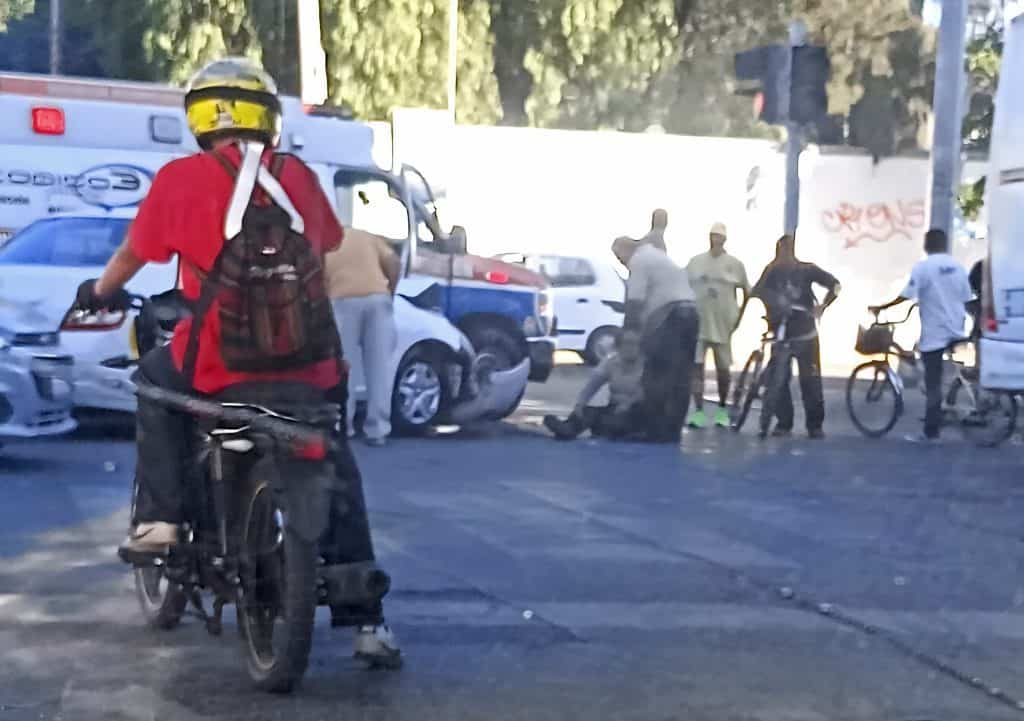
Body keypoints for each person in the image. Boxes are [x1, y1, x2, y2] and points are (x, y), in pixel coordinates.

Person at [73, 58, 400, 665]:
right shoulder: (297, 176)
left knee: (153, 382)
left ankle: (161, 522)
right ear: (269, 119)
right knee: (334, 454)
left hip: (218, 367)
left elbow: (130, 257)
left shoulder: (180, 179)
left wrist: (98, 292)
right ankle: (369, 622)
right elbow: (325, 246)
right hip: (310, 367)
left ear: (198, 118)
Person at [871, 228, 972, 442]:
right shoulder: (958, 267)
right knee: (927, 360)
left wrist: (883, 307)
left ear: (927, 245)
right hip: (956, 328)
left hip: (935, 331)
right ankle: (944, 405)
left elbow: (907, 295)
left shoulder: (924, 267)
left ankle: (931, 431)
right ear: (945, 244)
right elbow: (965, 296)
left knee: (932, 380)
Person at [750, 234, 840, 439]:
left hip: (805, 334)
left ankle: (814, 425)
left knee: (811, 381)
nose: (784, 254)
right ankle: (784, 423)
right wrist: (773, 303)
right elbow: (757, 292)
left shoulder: (807, 270)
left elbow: (835, 285)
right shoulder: (771, 271)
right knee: (778, 381)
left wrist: (823, 305)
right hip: (781, 334)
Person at [612, 236, 699, 443]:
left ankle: (655, 429)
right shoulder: (659, 257)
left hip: (669, 318)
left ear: (626, 250)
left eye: (619, 258)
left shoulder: (639, 261)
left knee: (656, 372)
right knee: (681, 376)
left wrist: (629, 334)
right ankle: (673, 430)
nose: (621, 263)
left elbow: (634, 302)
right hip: (691, 314)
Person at [325, 226, 400, 447]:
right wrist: (390, 291)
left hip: (342, 301)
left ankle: (344, 426)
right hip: (378, 299)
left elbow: (319, 277)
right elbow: (394, 262)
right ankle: (377, 430)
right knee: (379, 368)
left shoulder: (327, 242)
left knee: (344, 367)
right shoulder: (368, 237)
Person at [686, 222, 750, 429]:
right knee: (697, 368)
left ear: (725, 239)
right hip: (698, 323)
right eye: (713, 236)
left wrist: (738, 318)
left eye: (719, 236)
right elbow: (683, 287)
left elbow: (748, 291)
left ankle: (722, 409)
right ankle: (698, 412)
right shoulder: (695, 263)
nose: (716, 240)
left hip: (723, 326)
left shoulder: (735, 264)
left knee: (723, 370)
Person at [542, 330, 644, 440]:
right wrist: (580, 404)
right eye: (626, 343)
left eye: (633, 344)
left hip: (636, 409)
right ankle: (568, 428)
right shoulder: (611, 362)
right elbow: (592, 386)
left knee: (618, 420)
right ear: (619, 346)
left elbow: (646, 392)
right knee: (590, 413)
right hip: (614, 407)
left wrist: (627, 404)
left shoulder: (647, 365)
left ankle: (611, 430)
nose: (629, 348)